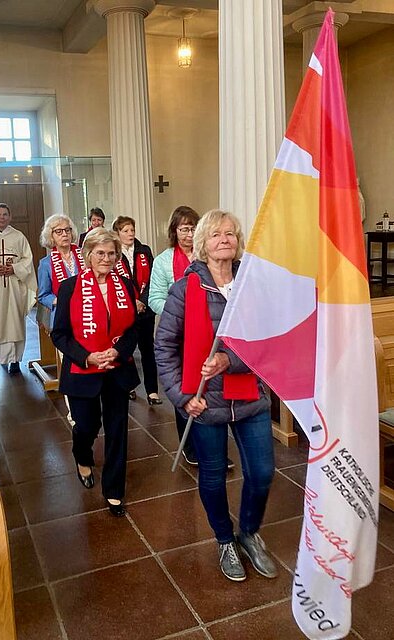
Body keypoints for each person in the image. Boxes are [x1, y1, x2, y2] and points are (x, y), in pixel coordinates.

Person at [155, 209, 277, 582]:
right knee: (211, 475)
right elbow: (165, 347)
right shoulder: (184, 289)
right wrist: (180, 396)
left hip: (250, 394)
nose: (225, 239)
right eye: (216, 235)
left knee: (262, 473)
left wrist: (229, 359)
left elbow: (267, 340)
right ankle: (225, 540)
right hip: (205, 399)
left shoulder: (252, 287)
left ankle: (250, 533)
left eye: (231, 234)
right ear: (202, 245)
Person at [51, 227, 139, 517]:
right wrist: (87, 357)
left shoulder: (126, 285)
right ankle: (82, 455)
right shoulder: (70, 287)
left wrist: (118, 351)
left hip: (116, 370)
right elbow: (60, 334)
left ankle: (114, 490)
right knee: (86, 426)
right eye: (100, 253)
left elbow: (133, 329)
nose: (106, 258)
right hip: (82, 370)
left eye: (111, 253)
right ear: (87, 255)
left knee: (117, 431)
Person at [149, 205, 231, 467]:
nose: (188, 233)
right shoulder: (163, 261)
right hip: (183, 335)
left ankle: (214, 449)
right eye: (184, 228)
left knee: (214, 391)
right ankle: (192, 447)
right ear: (175, 231)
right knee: (186, 388)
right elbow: (154, 298)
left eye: (193, 228)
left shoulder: (211, 256)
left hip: (214, 335)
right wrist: (182, 313)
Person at [0, 203, 37, 374]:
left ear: (10, 217)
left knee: (15, 321)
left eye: (5, 214)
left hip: (14, 286)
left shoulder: (19, 237)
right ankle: (2, 357)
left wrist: (14, 269)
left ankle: (16, 360)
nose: (2, 217)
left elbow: (28, 259)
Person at [112, 215, 161, 405]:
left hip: (145, 309)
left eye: (132, 230)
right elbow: (116, 282)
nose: (130, 234)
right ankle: (129, 386)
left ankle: (152, 391)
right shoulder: (114, 253)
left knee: (148, 350)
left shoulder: (144, 250)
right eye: (125, 231)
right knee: (126, 350)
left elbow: (153, 278)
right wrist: (133, 302)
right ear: (118, 233)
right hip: (126, 310)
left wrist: (142, 300)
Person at [37, 214, 85, 327]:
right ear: (51, 236)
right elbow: (43, 296)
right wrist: (60, 300)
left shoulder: (85, 255)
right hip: (63, 315)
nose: (64, 234)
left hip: (87, 312)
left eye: (67, 230)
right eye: (59, 231)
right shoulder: (45, 264)